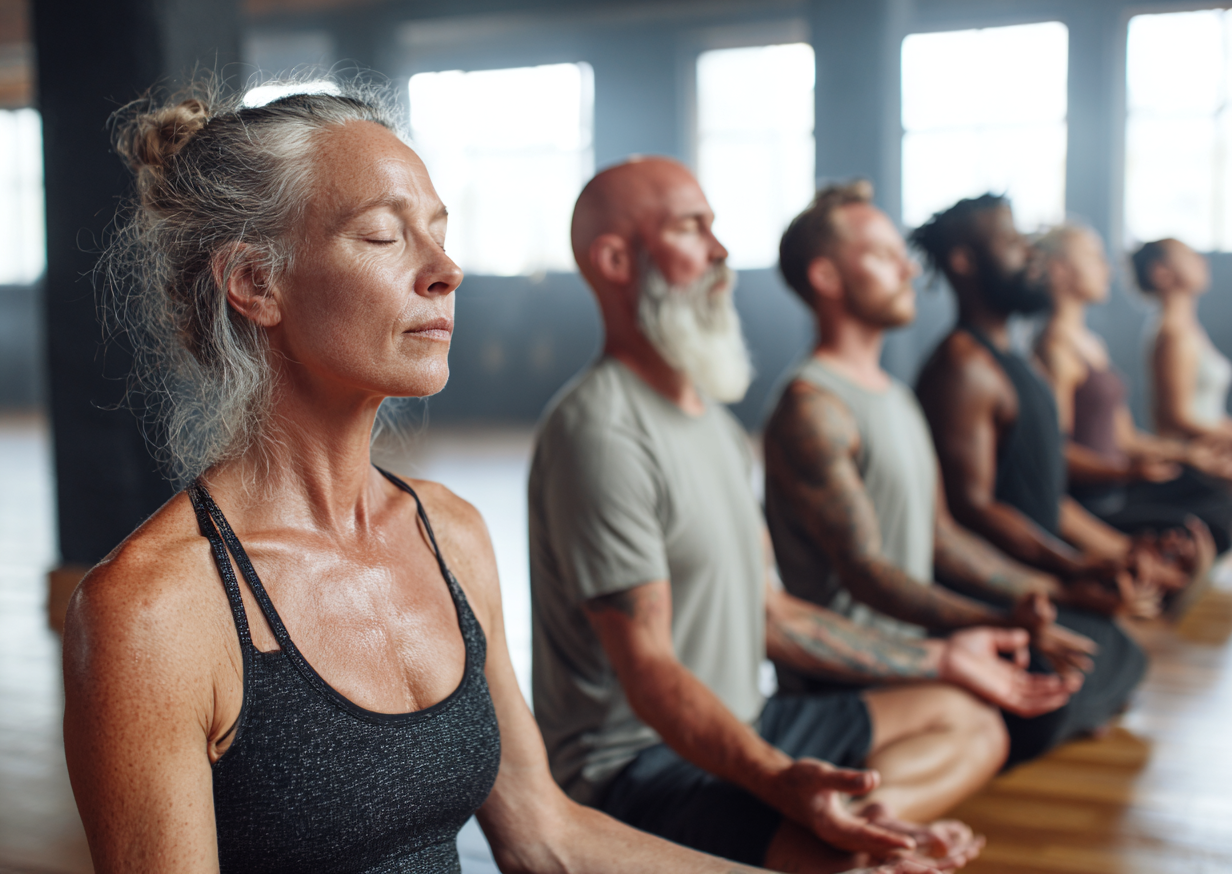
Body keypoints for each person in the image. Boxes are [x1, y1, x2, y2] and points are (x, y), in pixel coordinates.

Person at [61, 84, 944, 874]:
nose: (444, 271)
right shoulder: (153, 612)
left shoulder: (450, 533)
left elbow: (544, 834)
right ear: (256, 282)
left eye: (440, 234)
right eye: (382, 235)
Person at [529, 158, 1073, 872]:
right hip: (638, 769)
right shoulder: (601, 431)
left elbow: (772, 616)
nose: (722, 251)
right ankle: (859, 843)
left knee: (975, 719)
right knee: (847, 862)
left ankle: (863, 827)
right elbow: (652, 673)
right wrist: (781, 782)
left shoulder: (715, 426)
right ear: (616, 259)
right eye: (694, 229)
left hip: (742, 722)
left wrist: (946, 654)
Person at [763, 182, 1185, 768]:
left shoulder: (892, 393)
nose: (909, 270)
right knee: (1051, 690)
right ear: (827, 278)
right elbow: (868, 575)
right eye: (884, 256)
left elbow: (944, 535)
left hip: (925, 641)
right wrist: (996, 620)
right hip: (861, 670)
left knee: (1105, 651)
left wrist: (1063, 585)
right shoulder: (813, 408)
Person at [911, 194, 1159, 745]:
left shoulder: (1014, 358)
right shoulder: (962, 367)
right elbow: (972, 509)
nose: (1030, 255)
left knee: (1122, 653)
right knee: (1084, 671)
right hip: (997, 587)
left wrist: (1103, 557)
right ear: (964, 261)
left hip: (1039, 578)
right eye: (1011, 241)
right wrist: (1068, 571)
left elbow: (1046, 490)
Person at [1034, 223, 1231, 557]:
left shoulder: (1092, 345)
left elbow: (1125, 439)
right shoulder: (1054, 349)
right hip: (1096, 501)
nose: (1107, 267)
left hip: (1118, 487)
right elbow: (1056, 451)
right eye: (1094, 258)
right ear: (1059, 270)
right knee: (1218, 517)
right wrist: (1125, 472)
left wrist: (1188, 455)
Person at [1134, 237, 1232, 447]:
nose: (1202, 261)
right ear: (1161, 272)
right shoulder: (1173, 335)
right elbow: (1177, 418)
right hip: (1192, 461)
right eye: (1188, 256)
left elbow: (1208, 414)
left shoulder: (1188, 330)